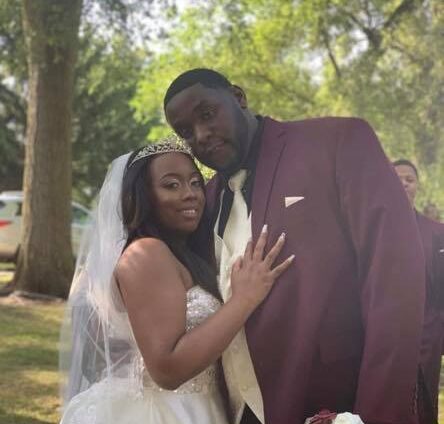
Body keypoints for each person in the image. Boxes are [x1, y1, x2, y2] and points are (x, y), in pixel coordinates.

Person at [163, 68, 427, 424]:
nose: (200, 135)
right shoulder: (205, 200)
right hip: (237, 412)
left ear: (238, 97)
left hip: (336, 403)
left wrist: (376, 415)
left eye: (207, 114)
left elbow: (395, 280)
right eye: (185, 132)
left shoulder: (336, 142)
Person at [59, 137, 294, 424]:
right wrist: (244, 300)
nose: (190, 194)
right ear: (143, 195)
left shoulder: (180, 255)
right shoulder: (146, 253)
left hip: (200, 408)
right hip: (161, 412)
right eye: (171, 185)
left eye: (195, 183)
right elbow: (167, 369)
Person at [393, 159, 444, 423]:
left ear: (417, 186)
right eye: (397, 178)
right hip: (383, 336)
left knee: (423, 407)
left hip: (426, 335)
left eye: (409, 179)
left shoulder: (437, 232)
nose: (403, 183)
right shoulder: (372, 232)